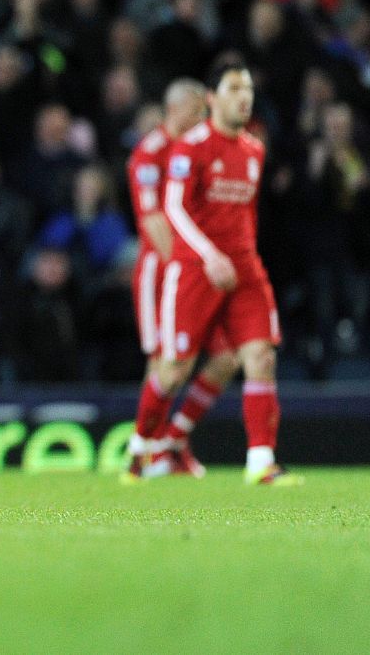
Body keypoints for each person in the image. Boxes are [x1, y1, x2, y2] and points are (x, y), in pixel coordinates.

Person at [150, 60, 300, 485]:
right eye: (234, 88)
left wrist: (241, 258)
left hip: (244, 270)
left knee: (260, 356)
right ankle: (148, 445)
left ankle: (260, 461)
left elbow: (246, 217)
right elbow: (173, 208)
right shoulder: (191, 147)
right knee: (175, 367)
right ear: (212, 98)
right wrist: (208, 255)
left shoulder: (254, 150)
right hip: (198, 268)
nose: (244, 97)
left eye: (248, 89)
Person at [123, 78, 240, 480]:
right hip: (165, 272)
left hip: (200, 269)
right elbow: (154, 219)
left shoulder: (201, 148)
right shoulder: (149, 155)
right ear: (175, 111)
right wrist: (187, 264)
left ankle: (174, 436)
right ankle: (150, 450)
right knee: (163, 363)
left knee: (227, 358)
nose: (204, 119)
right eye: (197, 112)